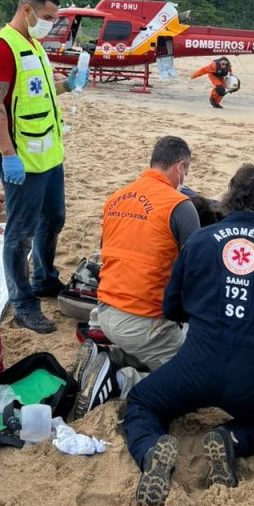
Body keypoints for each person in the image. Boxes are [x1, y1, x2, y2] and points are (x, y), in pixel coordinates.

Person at [123, 164, 254, 506]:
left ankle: (151, 448)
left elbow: (172, 308)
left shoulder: (199, 240)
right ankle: (231, 439)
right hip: (251, 375)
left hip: (194, 365)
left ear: (229, 197)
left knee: (142, 403)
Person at [0, 0, 88, 334]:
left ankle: (44, 278)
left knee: (53, 219)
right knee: (20, 233)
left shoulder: (34, 45)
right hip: (21, 160)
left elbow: (37, 92)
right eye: (46, 18)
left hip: (49, 156)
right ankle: (24, 301)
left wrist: (68, 85)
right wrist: (8, 156)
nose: (50, 25)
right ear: (26, 10)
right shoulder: (1, 48)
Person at [72, 136, 200, 419]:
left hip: (104, 312)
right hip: (144, 321)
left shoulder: (116, 198)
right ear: (180, 167)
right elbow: (197, 274)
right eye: (186, 172)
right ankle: (119, 381)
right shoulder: (180, 205)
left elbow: (106, 254)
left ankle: (108, 357)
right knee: (196, 383)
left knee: (165, 346)